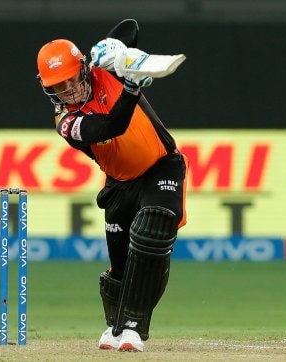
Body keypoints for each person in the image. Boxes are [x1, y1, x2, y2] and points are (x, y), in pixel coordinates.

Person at [35, 19, 188, 352]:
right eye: (59, 87)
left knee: (151, 233)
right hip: (119, 184)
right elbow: (111, 126)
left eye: (72, 80)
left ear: (83, 69)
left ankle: (134, 329)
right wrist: (132, 89)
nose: (69, 91)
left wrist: (111, 48)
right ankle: (116, 326)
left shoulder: (108, 70)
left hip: (162, 165)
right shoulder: (66, 121)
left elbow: (130, 27)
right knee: (121, 265)